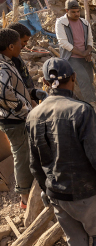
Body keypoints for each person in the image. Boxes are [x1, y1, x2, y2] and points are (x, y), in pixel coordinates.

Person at [26, 57, 96, 246]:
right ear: (74, 77)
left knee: (76, 241)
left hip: (57, 195)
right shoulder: (82, 111)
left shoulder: (33, 115)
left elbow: (34, 162)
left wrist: (45, 189)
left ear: (45, 83)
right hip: (86, 195)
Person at [0, 28, 34, 209]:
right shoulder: (3, 66)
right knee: (22, 156)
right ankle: (25, 197)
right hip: (14, 120)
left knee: (24, 154)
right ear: (11, 46)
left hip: (14, 118)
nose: (23, 46)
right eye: (20, 44)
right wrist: (23, 108)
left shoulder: (8, 62)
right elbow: (4, 94)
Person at [55, 0, 96, 104]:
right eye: (73, 12)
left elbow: (90, 40)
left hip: (85, 56)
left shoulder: (84, 23)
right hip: (71, 57)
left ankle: (91, 101)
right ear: (67, 11)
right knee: (83, 79)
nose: (76, 14)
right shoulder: (61, 22)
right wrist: (82, 53)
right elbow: (63, 42)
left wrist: (87, 52)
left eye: (78, 11)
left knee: (90, 79)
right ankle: (91, 103)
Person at [8, 22, 48, 104]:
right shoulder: (9, 60)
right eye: (24, 41)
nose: (26, 44)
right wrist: (31, 102)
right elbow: (16, 86)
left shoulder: (15, 54)